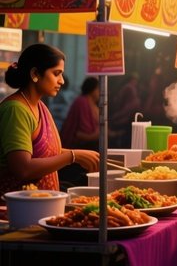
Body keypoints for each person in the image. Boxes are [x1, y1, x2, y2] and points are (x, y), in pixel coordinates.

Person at [0, 44, 99, 195]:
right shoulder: (16, 110)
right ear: (35, 73)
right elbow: (23, 169)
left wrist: (80, 156)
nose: (62, 81)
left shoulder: (40, 107)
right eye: (56, 73)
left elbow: (47, 152)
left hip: (41, 205)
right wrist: (72, 156)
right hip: (14, 212)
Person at [60, 76, 100, 148]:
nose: (100, 92)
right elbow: (81, 133)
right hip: (78, 146)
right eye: (98, 89)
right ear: (92, 89)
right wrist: (97, 135)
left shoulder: (93, 104)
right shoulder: (82, 102)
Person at [109, 72, 140, 145]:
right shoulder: (129, 87)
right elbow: (122, 102)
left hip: (126, 115)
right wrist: (118, 115)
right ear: (131, 80)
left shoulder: (130, 88)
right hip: (125, 115)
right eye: (134, 80)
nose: (135, 82)